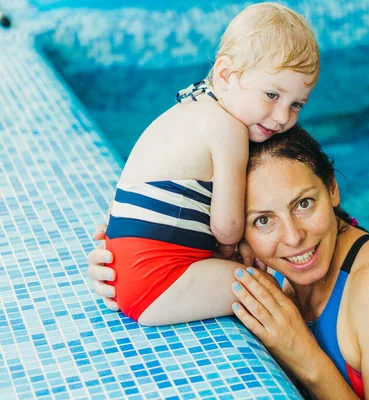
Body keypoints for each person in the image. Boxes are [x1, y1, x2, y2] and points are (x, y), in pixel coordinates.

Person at [89, 126, 369, 399]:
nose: (293, 237)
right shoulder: (248, 255)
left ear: (332, 189)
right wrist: (119, 264)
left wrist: (302, 356)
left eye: (304, 204)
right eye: (263, 220)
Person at [101, 2, 319, 325]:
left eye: (296, 104)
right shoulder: (228, 128)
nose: (283, 116)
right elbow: (226, 227)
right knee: (265, 292)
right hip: (157, 280)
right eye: (272, 95)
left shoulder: (188, 109)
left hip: (118, 270)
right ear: (226, 75)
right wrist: (237, 246)